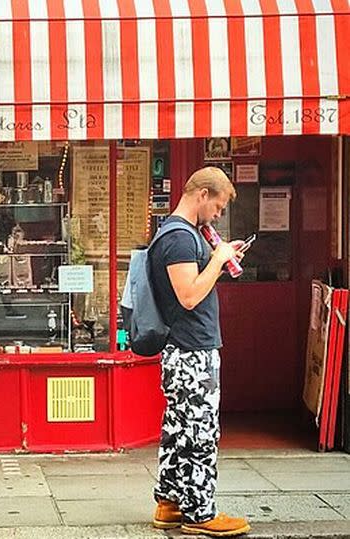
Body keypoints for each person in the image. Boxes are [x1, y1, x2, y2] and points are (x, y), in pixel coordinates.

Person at [149, 167, 250, 537]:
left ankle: (170, 503)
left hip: (186, 349)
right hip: (192, 351)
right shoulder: (178, 238)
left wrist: (218, 255)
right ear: (203, 194)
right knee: (200, 432)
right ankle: (200, 513)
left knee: (178, 429)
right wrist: (218, 260)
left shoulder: (182, 235)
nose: (218, 215)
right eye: (219, 207)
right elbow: (189, 295)